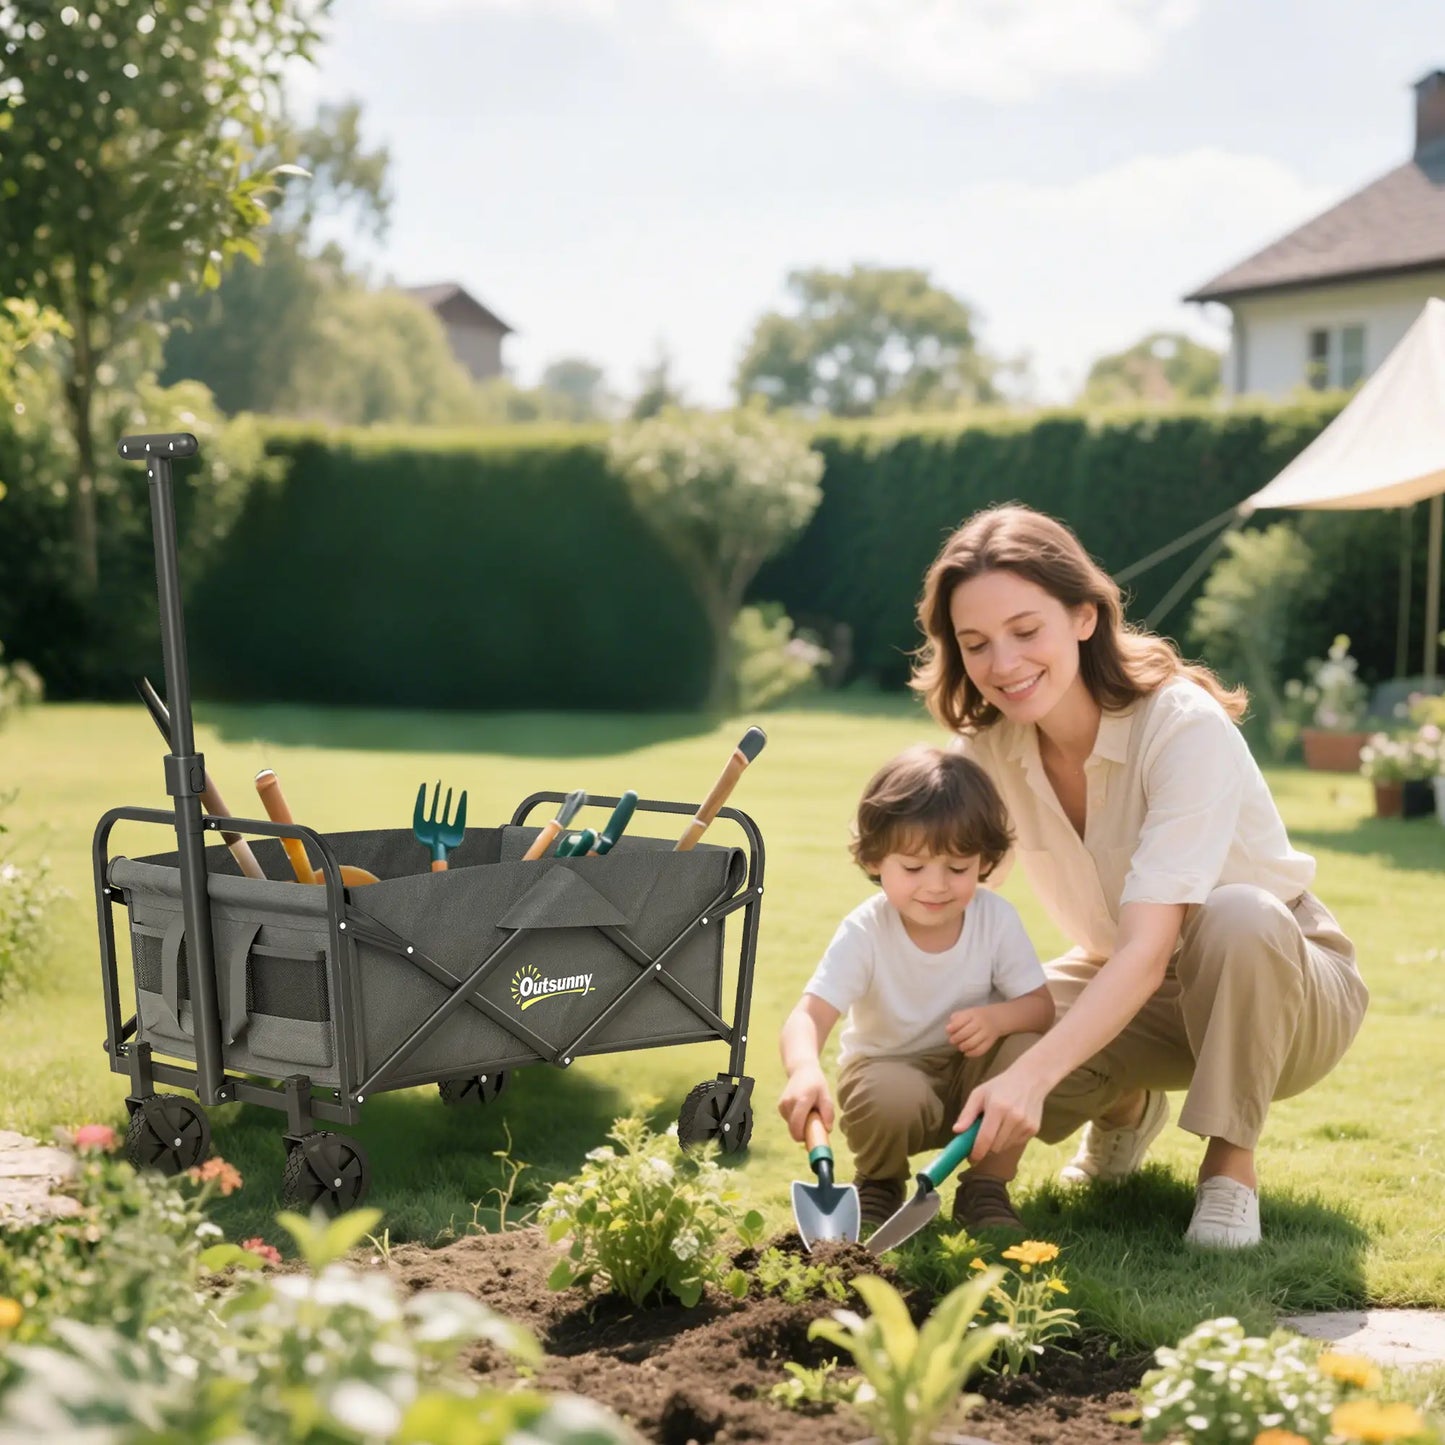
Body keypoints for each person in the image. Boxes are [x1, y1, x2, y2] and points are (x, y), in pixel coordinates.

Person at [912, 503, 1369, 1248]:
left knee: (1238, 915)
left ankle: (1228, 1169)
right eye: (975, 644)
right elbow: (936, 903)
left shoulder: (1179, 724)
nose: (1003, 664)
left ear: (1084, 617)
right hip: (1133, 988)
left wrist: (1029, 1078)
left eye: (1025, 631)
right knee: (980, 1030)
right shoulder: (988, 749)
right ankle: (1124, 1109)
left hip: (1282, 988)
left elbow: (1150, 947)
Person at [777, 745, 1055, 1232]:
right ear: (875, 858)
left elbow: (1040, 1009)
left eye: (957, 868)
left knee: (1026, 1051)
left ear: (984, 862)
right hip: (892, 1078)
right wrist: (803, 1070)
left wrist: (998, 1020)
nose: (936, 886)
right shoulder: (867, 930)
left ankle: (986, 1188)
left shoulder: (995, 920)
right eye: (913, 868)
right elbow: (809, 1015)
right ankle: (880, 1184)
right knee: (889, 1094)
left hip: (973, 1080)